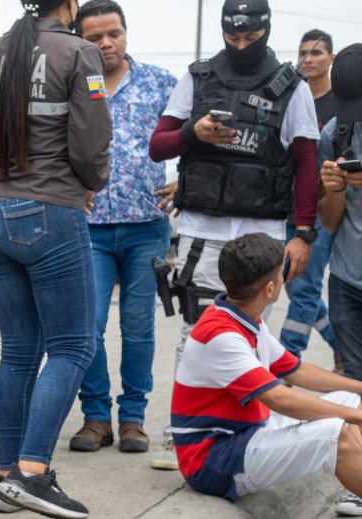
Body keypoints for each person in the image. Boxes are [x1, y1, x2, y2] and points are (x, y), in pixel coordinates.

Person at [148, 0, 321, 471]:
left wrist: (303, 232)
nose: (241, 46)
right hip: (204, 227)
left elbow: (306, 162)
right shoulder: (199, 77)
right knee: (197, 329)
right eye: (232, 37)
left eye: (250, 37)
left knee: (253, 332)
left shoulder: (292, 86)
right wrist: (193, 132)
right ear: (223, 30)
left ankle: (252, 424)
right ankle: (180, 434)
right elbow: (157, 145)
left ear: (266, 29)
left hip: (264, 228)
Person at [0, 0, 111, 519]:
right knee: (74, 346)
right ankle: (32, 473)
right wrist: (90, 184)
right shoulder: (79, 53)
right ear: (70, 4)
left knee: (19, 352)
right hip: (48, 210)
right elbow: (91, 142)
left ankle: (9, 475)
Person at [171, 233, 362, 505]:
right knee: (336, 432)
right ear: (270, 289)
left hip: (247, 435)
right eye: (282, 273)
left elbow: (297, 371)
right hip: (214, 460)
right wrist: (353, 417)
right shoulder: (221, 335)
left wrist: (358, 389)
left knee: (351, 400)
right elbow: (279, 398)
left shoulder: (244, 317)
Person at [67, 0, 176, 456]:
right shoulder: (74, 84)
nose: (106, 43)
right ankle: (96, 418)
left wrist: (185, 181)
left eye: (113, 33)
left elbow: (194, 136)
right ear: (81, 41)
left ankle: (132, 418)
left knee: (139, 327)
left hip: (147, 226)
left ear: (126, 33)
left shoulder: (161, 83)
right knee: (86, 328)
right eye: (95, 37)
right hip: (87, 228)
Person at [318, 43, 362, 517]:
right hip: (349, 277)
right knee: (355, 381)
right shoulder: (338, 130)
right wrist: (332, 189)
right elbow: (330, 222)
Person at [278, 29, 339, 369]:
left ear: (331, 58)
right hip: (285, 207)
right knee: (296, 285)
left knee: (304, 288)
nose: (308, 58)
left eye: (316, 53)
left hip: (323, 209)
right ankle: (343, 344)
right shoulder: (291, 97)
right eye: (303, 53)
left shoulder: (341, 102)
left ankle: (288, 358)